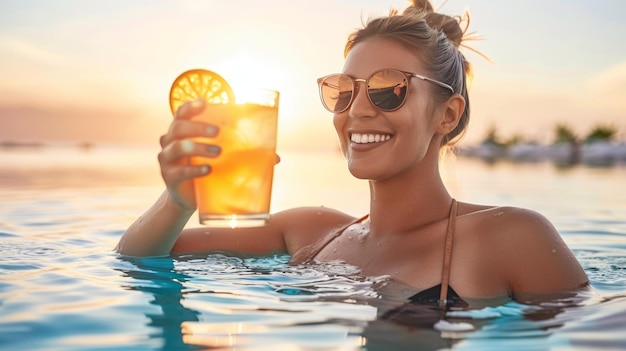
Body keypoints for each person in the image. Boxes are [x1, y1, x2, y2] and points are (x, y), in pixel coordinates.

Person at [116, 0, 589, 307]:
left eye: (389, 90)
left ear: (447, 115)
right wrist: (178, 201)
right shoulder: (311, 231)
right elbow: (142, 257)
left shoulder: (509, 237)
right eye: (342, 91)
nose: (357, 110)